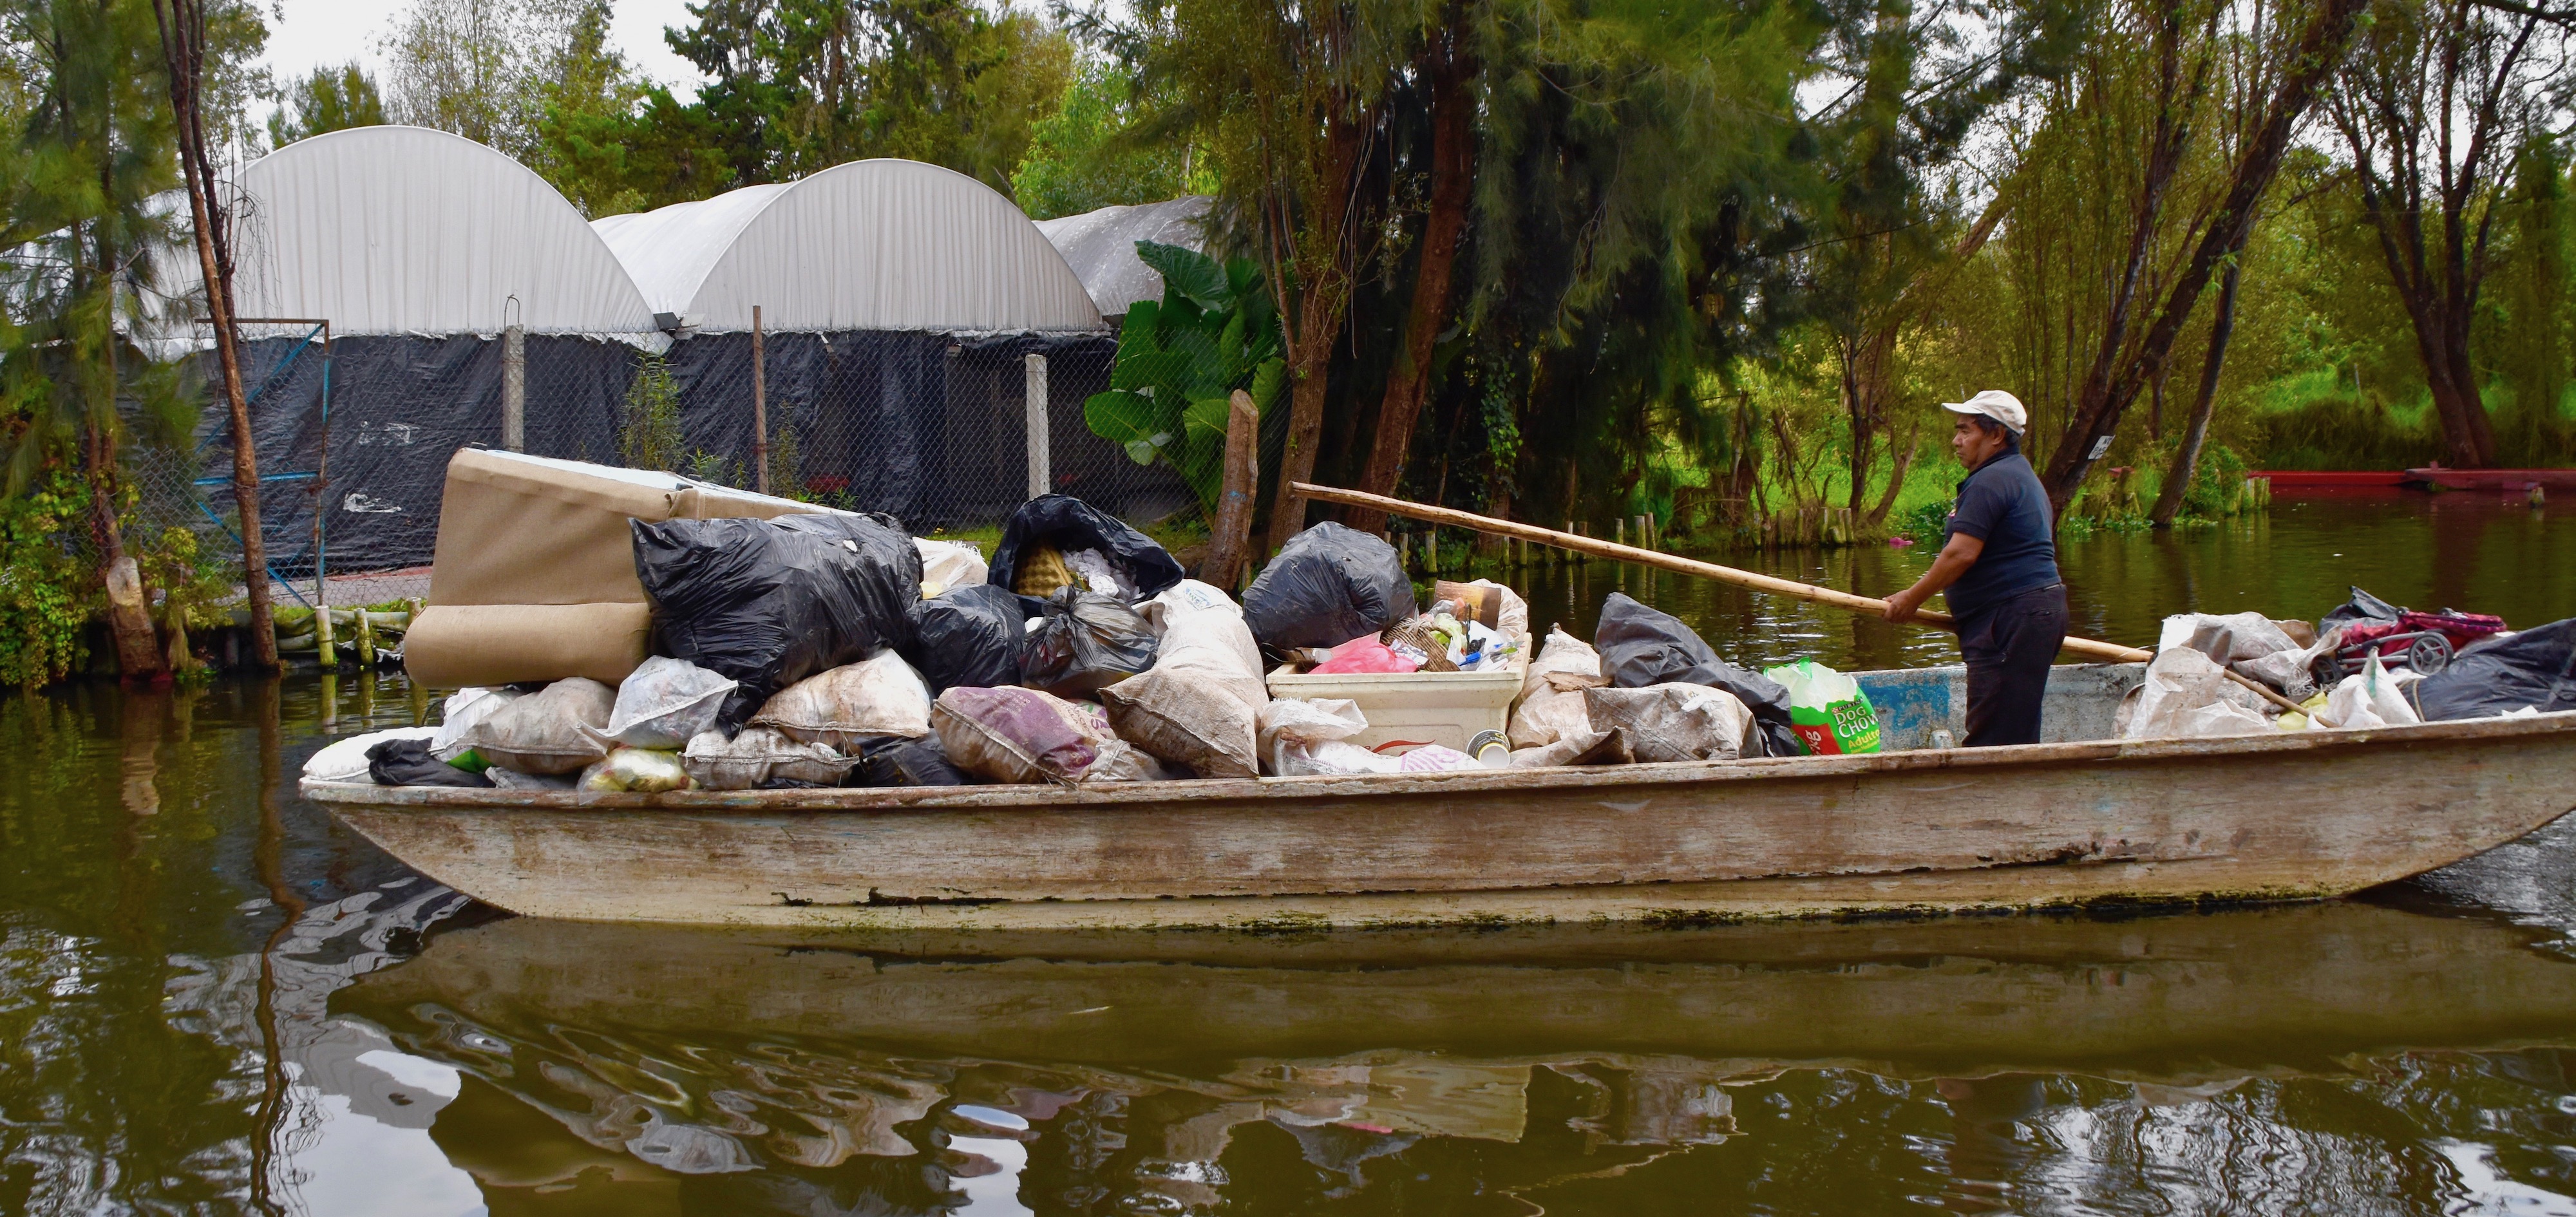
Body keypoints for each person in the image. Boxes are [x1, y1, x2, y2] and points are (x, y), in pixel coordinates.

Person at [1882, 390, 2069, 746]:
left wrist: (1911, 599)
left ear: (1997, 435)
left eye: (1966, 431)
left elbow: (1961, 554)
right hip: (2027, 614)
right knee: (2012, 727)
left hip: (2013, 618)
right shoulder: (2019, 475)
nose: (1956, 441)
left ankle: (1996, 800)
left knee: (1995, 739)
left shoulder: (1992, 479)